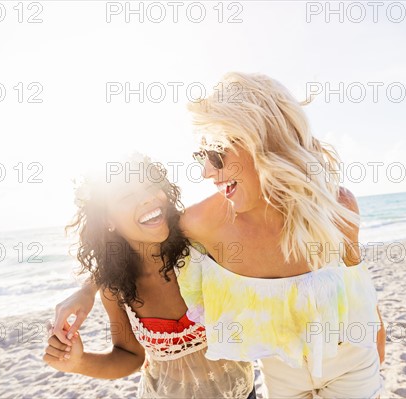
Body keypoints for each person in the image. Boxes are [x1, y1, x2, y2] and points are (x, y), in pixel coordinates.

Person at [52, 73, 386, 398]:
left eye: (215, 155)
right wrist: (87, 291)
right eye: (202, 157)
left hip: (329, 370)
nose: (206, 171)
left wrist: (374, 356)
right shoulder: (201, 225)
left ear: (254, 140)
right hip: (280, 375)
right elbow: (134, 252)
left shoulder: (333, 207)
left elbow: (359, 287)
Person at [43, 155, 256, 399]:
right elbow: (130, 356)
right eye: (126, 196)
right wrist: (78, 363)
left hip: (241, 391)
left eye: (150, 185)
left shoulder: (201, 244)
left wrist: (86, 290)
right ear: (108, 221)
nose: (147, 197)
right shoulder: (116, 289)